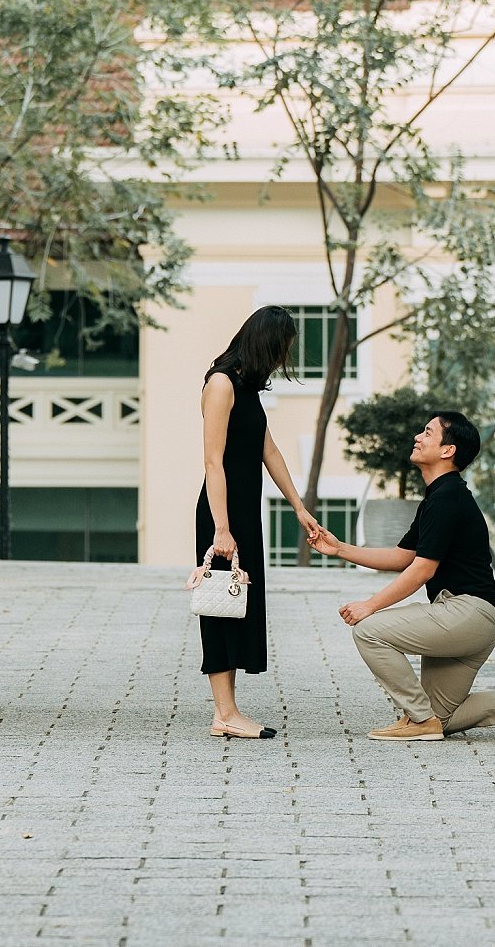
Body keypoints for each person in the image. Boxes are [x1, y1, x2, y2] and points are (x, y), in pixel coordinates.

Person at [308, 411, 495, 742]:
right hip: (473, 621)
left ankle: (418, 719)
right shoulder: (440, 497)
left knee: (369, 632)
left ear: (447, 450)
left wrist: (370, 605)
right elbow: (403, 557)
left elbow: (423, 569)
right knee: (445, 718)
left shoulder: (447, 497)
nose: (418, 436)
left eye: (428, 432)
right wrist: (340, 549)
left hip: (464, 613)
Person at [196, 305, 321, 739]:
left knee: (237, 605)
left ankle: (229, 712)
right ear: (265, 343)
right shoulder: (221, 385)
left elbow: (269, 450)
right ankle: (224, 714)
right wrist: (222, 528)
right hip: (222, 511)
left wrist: (299, 507)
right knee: (219, 605)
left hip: (245, 511)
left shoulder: (247, 389)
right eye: (281, 349)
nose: (282, 359)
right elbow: (213, 461)